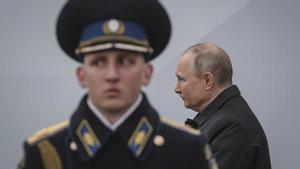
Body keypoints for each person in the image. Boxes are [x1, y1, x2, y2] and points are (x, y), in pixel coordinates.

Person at [18, 1, 218, 169]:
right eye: (98, 62)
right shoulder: (45, 154)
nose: (112, 75)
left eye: (125, 61)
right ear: (81, 76)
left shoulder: (187, 150)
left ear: (147, 73)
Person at [175, 42, 271, 169]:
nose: (176, 89)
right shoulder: (223, 120)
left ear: (207, 80)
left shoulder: (230, 127)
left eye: (181, 79)